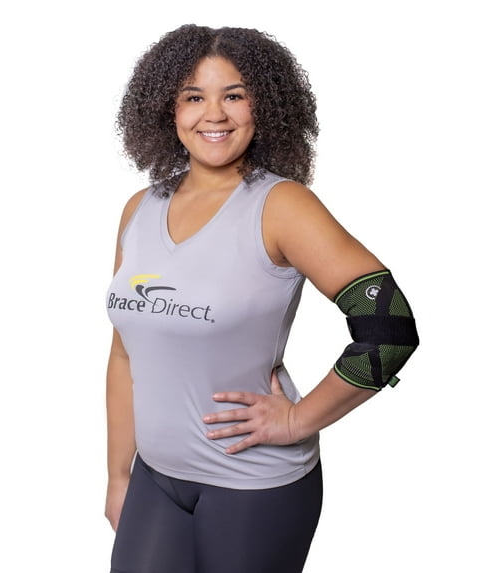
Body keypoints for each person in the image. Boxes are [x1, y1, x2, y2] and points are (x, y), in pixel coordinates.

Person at [104, 24, 419, 573]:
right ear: (167, 108)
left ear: (264, 105)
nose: (214, 114)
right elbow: (124, 355)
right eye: (194, 97)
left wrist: (298, 420)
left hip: (253, 485)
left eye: (234, 95)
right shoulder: (139, 208)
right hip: (156, 479)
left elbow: (388, 327)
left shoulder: (282, 206)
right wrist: (117, 475)